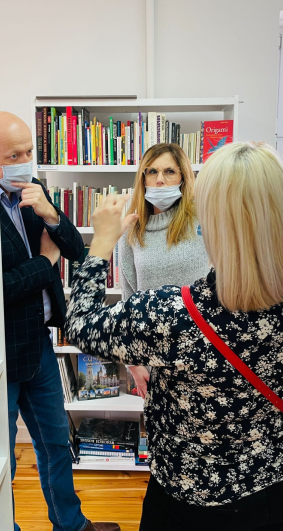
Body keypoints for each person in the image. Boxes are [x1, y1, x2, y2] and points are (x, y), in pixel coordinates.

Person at [63, 141, 283, 531]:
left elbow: (81, 324)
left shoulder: (175, 316)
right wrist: (262, 178)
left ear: (212, 226)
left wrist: (101, 242)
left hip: (197, 498)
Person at [0, 111, 120, 531]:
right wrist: (45, 262)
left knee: (55, 444)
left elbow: (74, 249)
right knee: (3, 459)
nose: (26, 159)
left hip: (40, 344)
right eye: (16, 153)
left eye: (29, 150)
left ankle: (71, 525)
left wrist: (51, 213)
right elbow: (0, 287)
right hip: (2, 352)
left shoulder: (32, 189)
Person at [119, 144, 209, 398]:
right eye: (152, 172)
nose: (160, 180)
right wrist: (132, 363)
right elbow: (128, 298)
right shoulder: (132, 224)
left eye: (170, 171)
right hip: (151, 354)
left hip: (201, 352)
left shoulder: (201, 217)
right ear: (143, 177)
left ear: (183, 177)